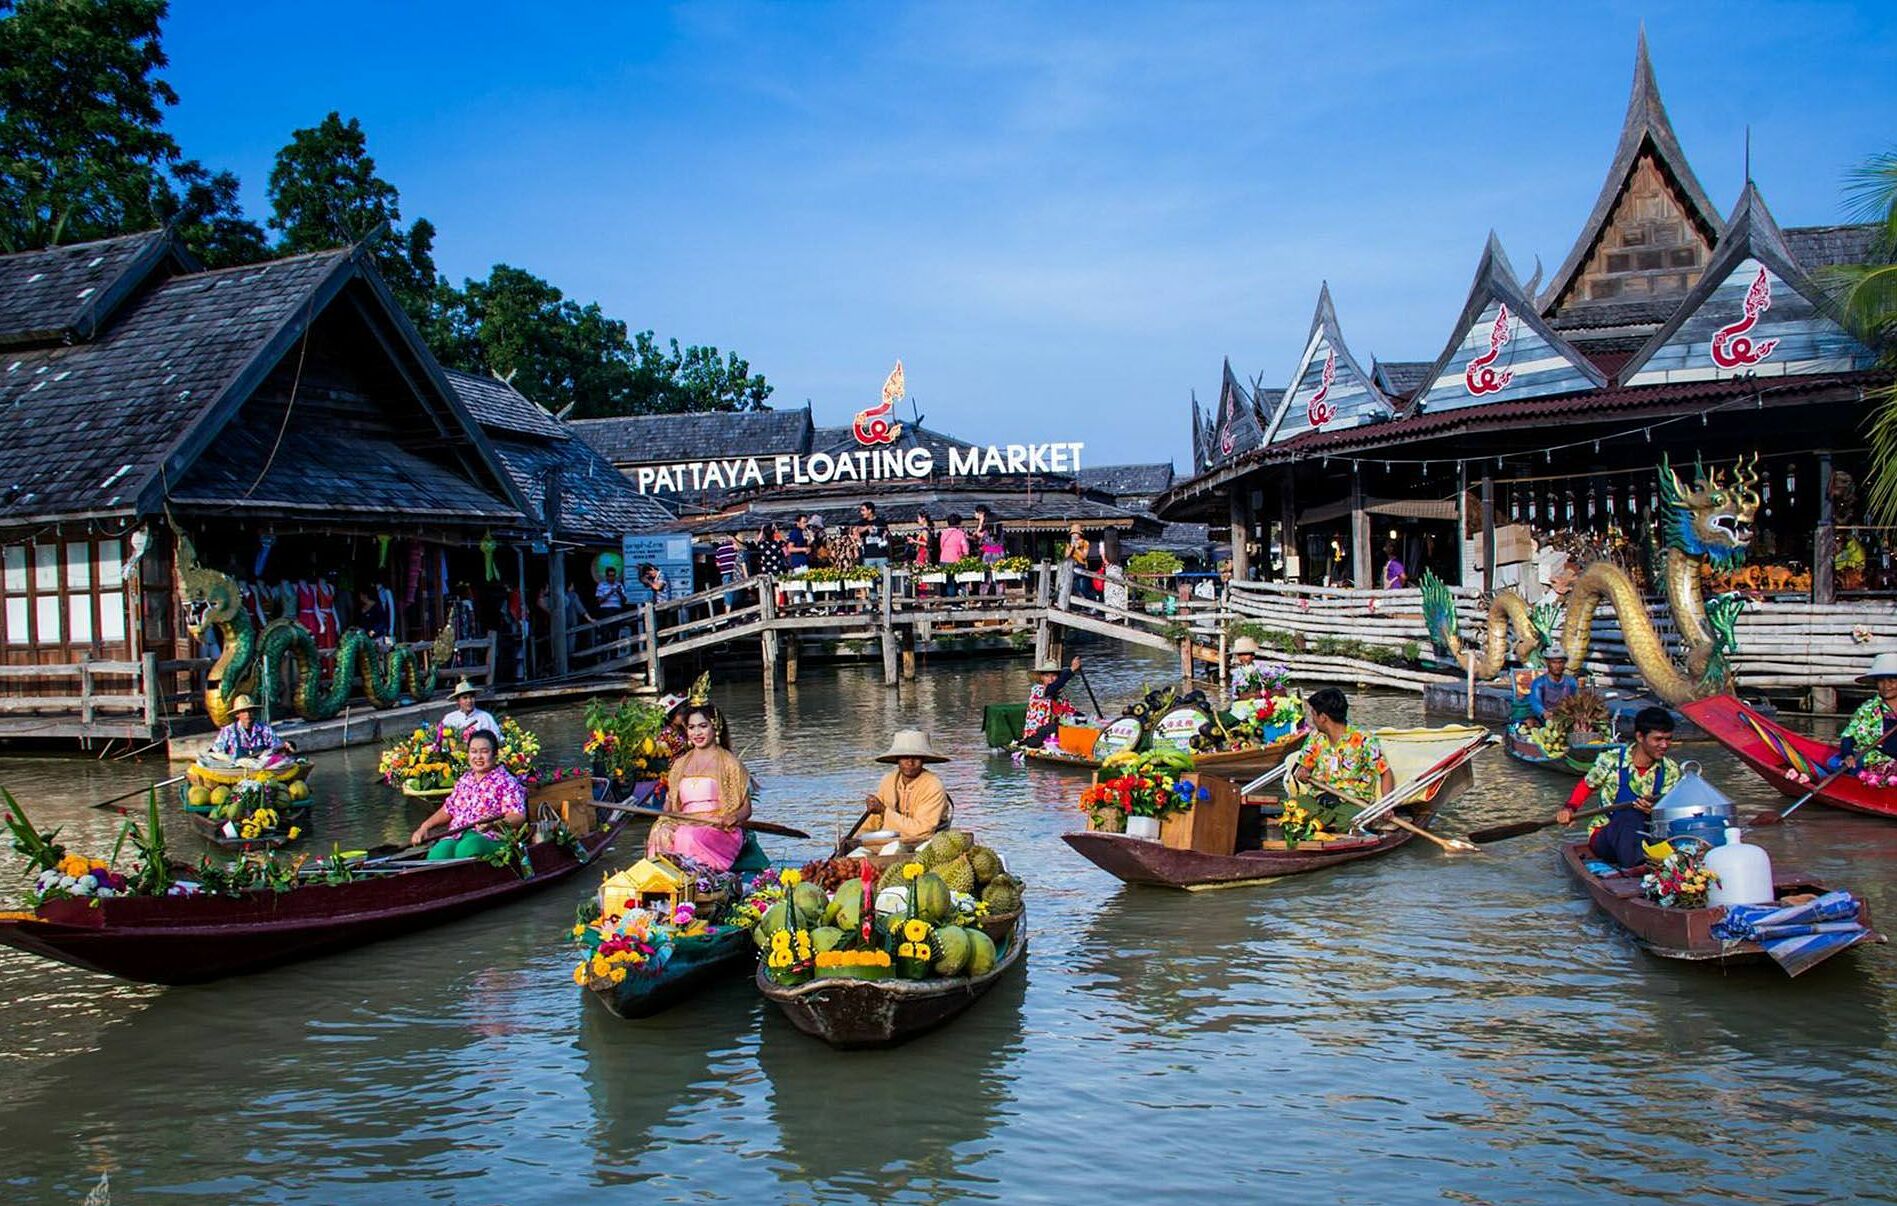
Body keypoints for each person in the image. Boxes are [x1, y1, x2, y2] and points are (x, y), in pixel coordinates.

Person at [1556, 706, 1681, 869]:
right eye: (1658, 739)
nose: (1664, 745)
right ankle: (1635, 870)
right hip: (1606, 836)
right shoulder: (1611, 759)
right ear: (1640, 737)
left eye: (1668, 739)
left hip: (1648, 835)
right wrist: (1569, 809)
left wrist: (1654, 811)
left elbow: (1672, 812)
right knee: (1629, 816)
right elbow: (1587, 786)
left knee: (1639, 820)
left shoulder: (1670, 769)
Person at [647, 703, 753, 872]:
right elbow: (670, 802)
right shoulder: (680, 764)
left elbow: (746, 808)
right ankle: (662, 881)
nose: (697, 733)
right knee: (660, 831)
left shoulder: (730, 763)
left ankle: (695, 882)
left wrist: (733, 817)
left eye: (703, 726)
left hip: (718, 826)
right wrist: (665, 816)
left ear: (715, 728)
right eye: (691, 727)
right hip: (685, 821)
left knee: (687, 836)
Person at [410, 728, 527, 860]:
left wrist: (493, 824)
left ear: (495, 755)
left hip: (491, 837)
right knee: (438, 853)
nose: (478, 757)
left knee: (468, 848)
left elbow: (518, 816)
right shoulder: (465, 780)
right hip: (457, 834)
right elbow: (448, 809)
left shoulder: (507, 782)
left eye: (484, 752)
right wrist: (424, 827)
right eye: (473, 752)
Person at [1290, 687, 1395, 831]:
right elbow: (1304, 768)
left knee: (1348, 822)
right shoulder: (1315, 738)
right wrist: (1302, 772)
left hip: (1353, 802)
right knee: (1291, 808)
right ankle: (1323, 821)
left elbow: (1385, 772)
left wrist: (1386, 804)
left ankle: (1327, 824)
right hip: (1320, 799)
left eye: (1313, 714)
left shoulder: (1364, 740)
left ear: (1323, 717)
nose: (1312, 720)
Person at [862, 729, 954, 846]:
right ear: (897, 759)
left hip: (926, 845)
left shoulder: (933, 786)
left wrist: (884, 811)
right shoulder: (888, 781)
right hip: (891, 842)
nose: (910, 763)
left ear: (923, 759)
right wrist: (855, 837)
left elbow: (922, 831)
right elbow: (873, 820)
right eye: (905, 757)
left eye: (916, 757)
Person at [1832, 652, 1897, 772]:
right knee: (1835, 763)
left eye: (1891, 681)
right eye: (1881, 681)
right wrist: (1848, 755)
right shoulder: (1868, 709)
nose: (1886, 686)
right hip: (1878, 759)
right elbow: (1849, 737)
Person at [205, 694, 289, 765]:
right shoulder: (228, 731)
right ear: (237, 714)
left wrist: (284, 748)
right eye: (243, 711)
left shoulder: (265, 730)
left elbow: (277, 748)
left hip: (261, 771)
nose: (247, 715)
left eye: (250, 711)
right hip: (237, 772)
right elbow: (215, 753)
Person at [1022, 655, 1083, 745]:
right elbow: (1053, 688)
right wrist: (1072, 669)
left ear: (1058, 677)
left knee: (1079, 723)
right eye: (1047, 676)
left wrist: (1087, 720)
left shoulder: (1060, 698)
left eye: (1054, 676)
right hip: (1035, 736)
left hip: (1051, 733)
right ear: (1041, 678)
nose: (1050, 679)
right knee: (1056, 727)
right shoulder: (1037, 690)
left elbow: (1072, 712)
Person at [1523, 647, 1579, 726]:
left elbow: (1577, 700)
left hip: (1566, 717)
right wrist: (1543, 712)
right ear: (1547, 663)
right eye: (1554, 662)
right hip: (1544, 718)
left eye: (1560, 662)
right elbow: (1535, 702)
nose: (1557, 666)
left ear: (1565, 663)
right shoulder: (1539, 682)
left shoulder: (1571, 681)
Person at [855, 502, 891, 568]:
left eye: (863, 510)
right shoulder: (861, 522)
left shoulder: (881, 521)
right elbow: (858, 530)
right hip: (868, 556)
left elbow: (887, 533)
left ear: (869, 510)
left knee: (884, 576)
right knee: (869, 577)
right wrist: (867, 527)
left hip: (882, 555)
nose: (861, 512)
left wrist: (885, 536)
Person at [1066, 524, 1092, 599]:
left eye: (1076, 533)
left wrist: (1077, 549)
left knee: (1083, 587)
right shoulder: (1069, 544)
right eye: (1073, 533)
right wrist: (1071, 548)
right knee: (1074, 586)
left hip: (1081, 566)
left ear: (1079, 534)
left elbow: (1084, 556)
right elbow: (1066, 556)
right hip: (1072, 566)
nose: (1074, 535)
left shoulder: (1085, 543)